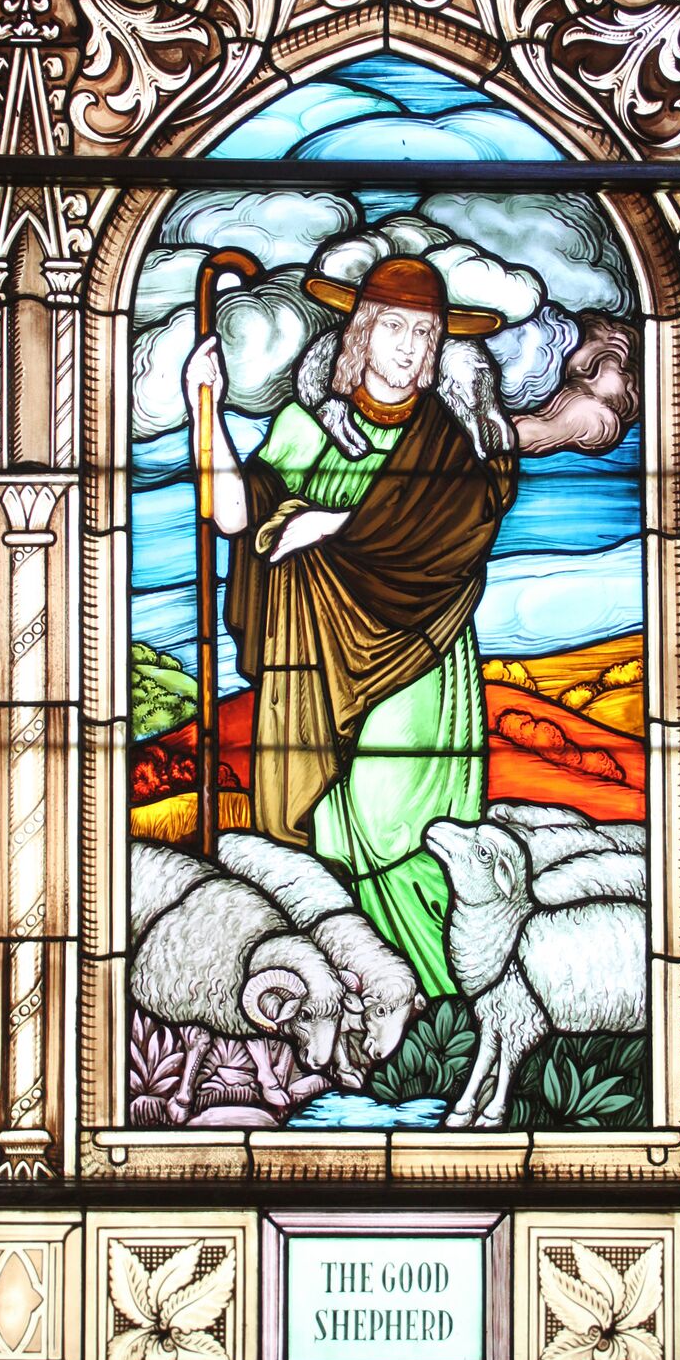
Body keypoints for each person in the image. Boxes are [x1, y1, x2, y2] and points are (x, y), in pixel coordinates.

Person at [184, 256, 514, 998]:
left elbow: (461, 527)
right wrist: (205, 408)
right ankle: (351, 998)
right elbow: (234, 515)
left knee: (395, 818)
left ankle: (443, 1000)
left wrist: (330, 524)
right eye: (394, 327)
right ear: (361, 331)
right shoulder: (306, 427)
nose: (409, 347)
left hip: (420, 652)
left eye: (425, 334)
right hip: (315, 657)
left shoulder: (449, 442)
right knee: (328, 823)